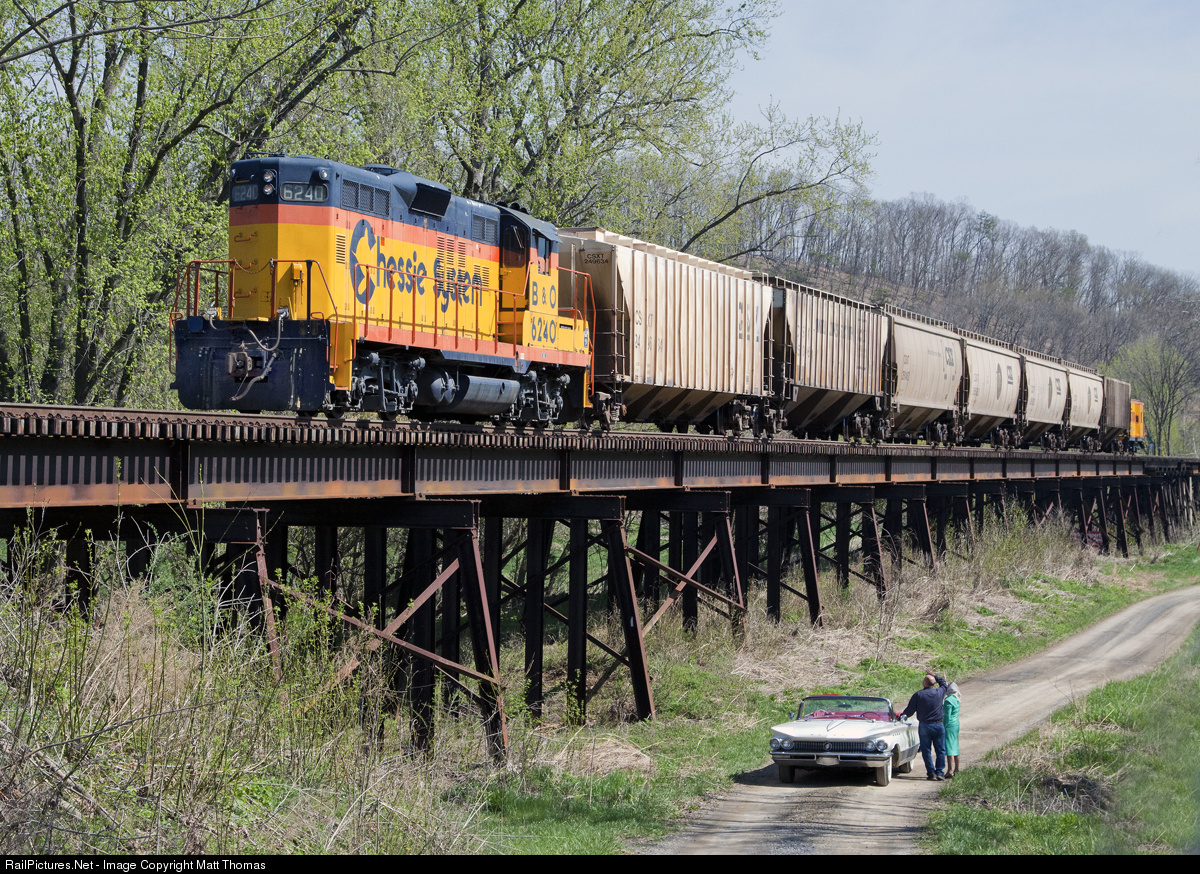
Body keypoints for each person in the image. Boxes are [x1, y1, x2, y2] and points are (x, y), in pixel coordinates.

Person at [899, 672, 948, 780]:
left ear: (924, 683)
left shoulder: (919, 695)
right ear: (933, 683)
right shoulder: (939, 692)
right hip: (938, 725)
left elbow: (910, 710)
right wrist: (935, 676)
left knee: (926, 751)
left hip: (925, 726)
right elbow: (944, 684)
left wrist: (902, 716)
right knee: (940, 750)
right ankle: (940, 772)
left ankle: (931, 773)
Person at [943, 682, 961, 778]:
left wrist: (943, 726)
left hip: (949, 726)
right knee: (955, 747)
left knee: (949, 748)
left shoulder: (948, 700)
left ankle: (950, 770)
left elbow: (947, 716)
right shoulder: (957, 699)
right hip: (956, 725)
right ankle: (957, 769)